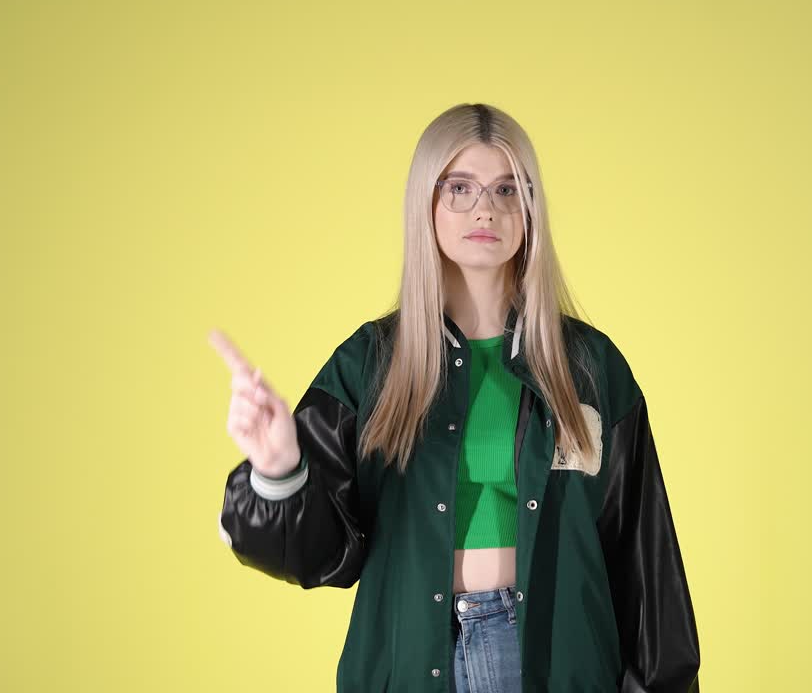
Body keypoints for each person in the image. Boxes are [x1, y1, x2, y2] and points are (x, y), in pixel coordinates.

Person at [210, 102, 701, 692]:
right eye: (460, 188)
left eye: (506, 190)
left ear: (530, 210)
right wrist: (278, 467)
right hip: (411, 665)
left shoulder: (589, 367)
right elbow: (321, 555)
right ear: (427, 203)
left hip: (556, 665)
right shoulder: (371, 364)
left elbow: (645, 564)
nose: (485, 209)